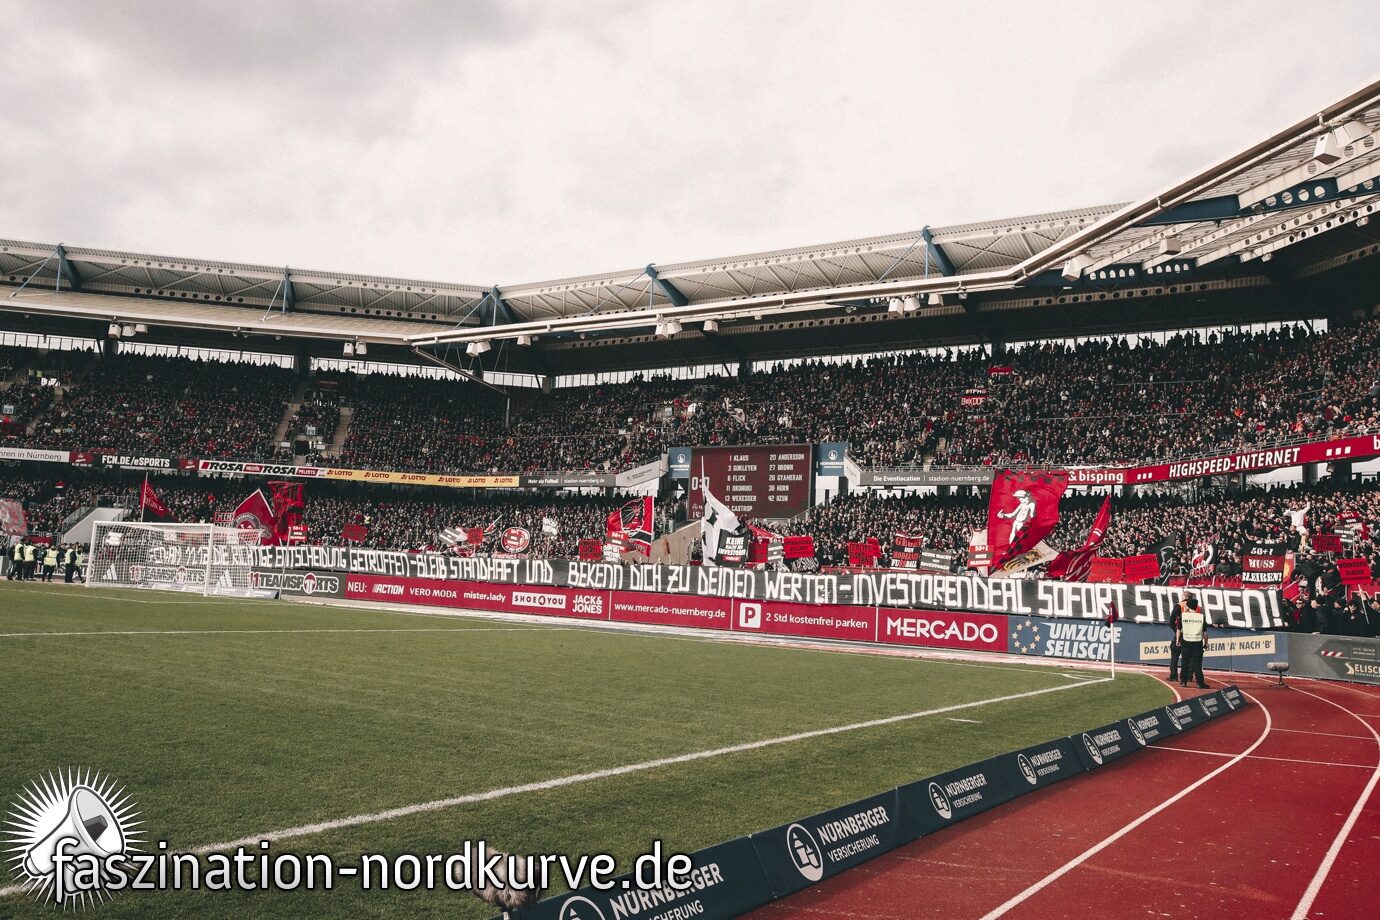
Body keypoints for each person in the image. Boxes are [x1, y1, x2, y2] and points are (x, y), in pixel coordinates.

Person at [1178, 594, 1210, 689]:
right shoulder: (1201, 617)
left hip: (1186, 642)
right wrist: (1206, 643)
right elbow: (1205, 632)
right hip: (1197, 642)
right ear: (1196, 607)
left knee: (1184, 662)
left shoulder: (1183, 616)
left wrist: (1177, 640)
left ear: (1188, 606)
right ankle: (1200, 683)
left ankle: (1183, 681)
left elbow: (1178, 629)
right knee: (1197, 664)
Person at [1168, 592, 1185, 682]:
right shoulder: (1196, 607)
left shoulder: (1179, 605)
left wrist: (1176, 631)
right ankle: (1187, 677)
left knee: (1175, 656)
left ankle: (1174, 676)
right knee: (1188, 658)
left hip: (1180, 633)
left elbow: (1171, 620)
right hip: (1192, 636)